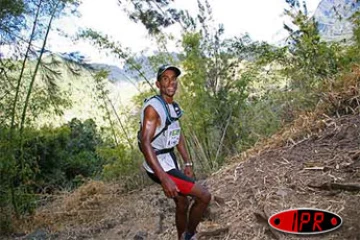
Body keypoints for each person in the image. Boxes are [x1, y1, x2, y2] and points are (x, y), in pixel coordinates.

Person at [139, 64, 211, 240]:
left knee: (182, 201)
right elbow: (145, 143)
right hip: (158, 165)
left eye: (173, 78)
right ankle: (189, 235)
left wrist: (187, 162)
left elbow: (176, 134)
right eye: (165, 78)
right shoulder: (153, 108)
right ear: (158, 84)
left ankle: (181, 237)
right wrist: (164, 178)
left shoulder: (172, 106)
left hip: (169, 161)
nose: (171, 82)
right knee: (204, 196)